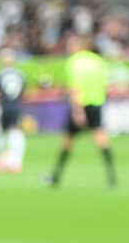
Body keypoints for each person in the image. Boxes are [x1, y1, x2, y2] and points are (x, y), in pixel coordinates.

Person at [44, 33, 116, 188]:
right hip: (96, 104)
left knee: (67, 141)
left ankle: (56, 176)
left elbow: (75, 88)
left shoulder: (75, 62)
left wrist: (78, 111)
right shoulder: (99, 62)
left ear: (80, 46)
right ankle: (112, 176)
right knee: (101, 138)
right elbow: (107, 87)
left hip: (80, 105)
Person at [0, 48, 27, 173]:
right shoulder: (20, 74)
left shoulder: (0, 74)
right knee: (15, 131)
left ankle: (2, 160)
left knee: (2, 131)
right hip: (16, 105)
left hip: (5, 105)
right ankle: (16, 160)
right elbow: (23, 91)